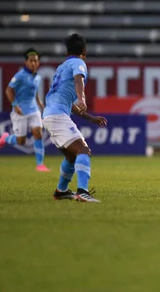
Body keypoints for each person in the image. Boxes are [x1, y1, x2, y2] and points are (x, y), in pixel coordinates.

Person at [43, 33, 107, 202]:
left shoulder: (62, 67)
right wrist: (82, 98)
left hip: (50, 115)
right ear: (84, 51)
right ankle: (82, 191)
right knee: (83, 151)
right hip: (57, 116)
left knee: (71, 157)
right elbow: (79, 80)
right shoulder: (79, 63)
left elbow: (68, 102)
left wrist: (89, 117)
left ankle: (61, 191)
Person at [0, 48, 49, 172]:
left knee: (38, 133)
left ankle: (40, 165)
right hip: (20, 111)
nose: (33, 63)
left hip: (34, 110)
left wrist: (40, 103)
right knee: (21, 141)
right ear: (25, 62)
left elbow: (33, 92)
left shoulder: (37, 77)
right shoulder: (19, 75)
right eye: (31, 61)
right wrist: (15, 105)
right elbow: (8, 90)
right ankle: (6, 138)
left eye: (36, 61)